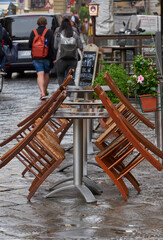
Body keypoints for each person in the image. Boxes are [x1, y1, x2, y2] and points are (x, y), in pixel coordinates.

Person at [29, 16, 56, 100]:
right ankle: (45, 89)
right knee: (46, 74)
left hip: (36, 57)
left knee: (40, 74)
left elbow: (30, 45)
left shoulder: (33, 32)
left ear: (37, 23)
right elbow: (52, 45)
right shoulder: (49, 32)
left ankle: (42, 93)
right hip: (47, 57)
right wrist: (54, 57)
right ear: (46, 23)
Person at [54, 17, 83, 90]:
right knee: (70, 76)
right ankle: (69, 94)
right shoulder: (75, 31)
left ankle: (62, 92)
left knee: (60, 76)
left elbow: (55, 46)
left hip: (60, 58)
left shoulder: (58, 31)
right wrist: (81, 50)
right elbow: (80, 45)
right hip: (73, 58)